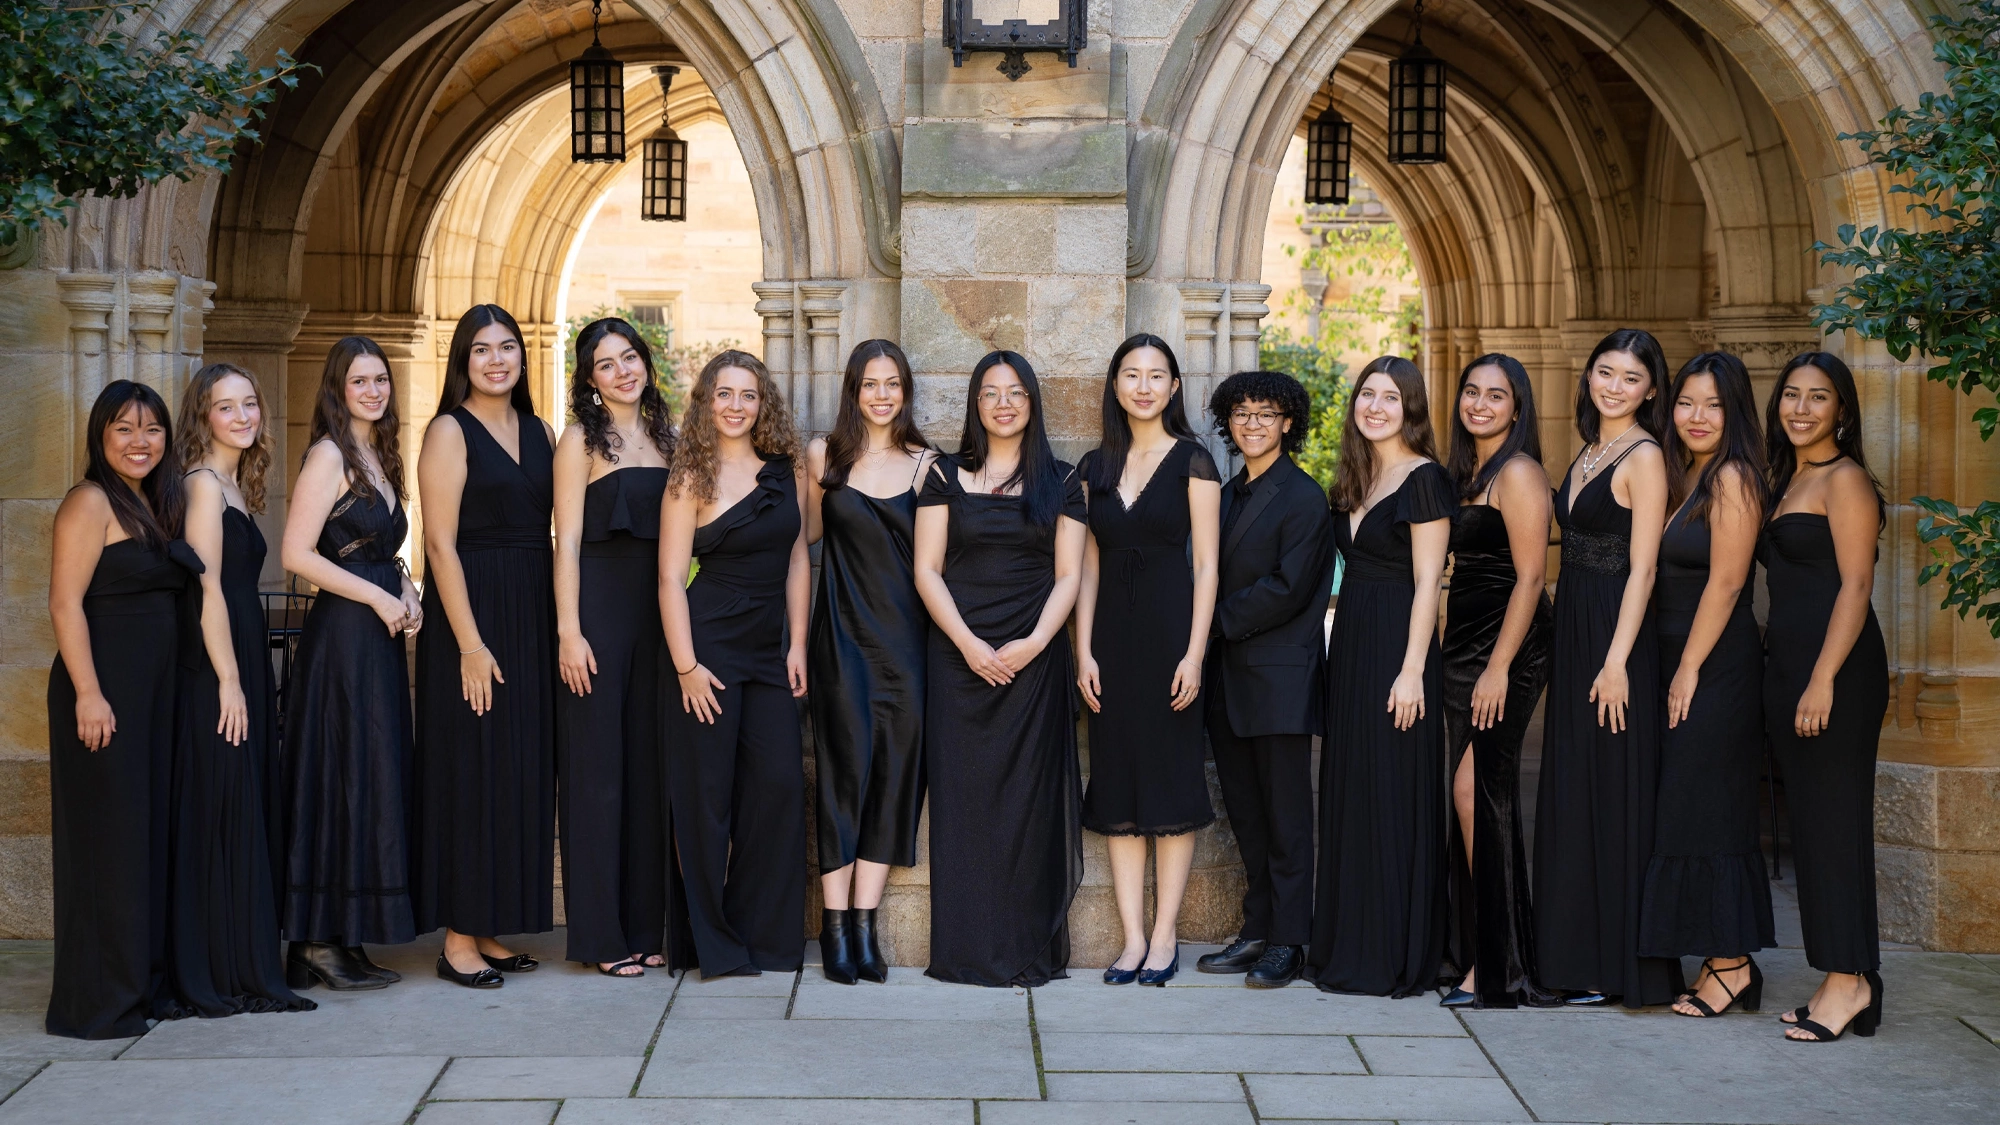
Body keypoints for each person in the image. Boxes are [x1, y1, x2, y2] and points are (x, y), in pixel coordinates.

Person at [916, 350, 1087, 988]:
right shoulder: (943, 476)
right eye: (991, 393)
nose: (1004, 403)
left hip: (1033, 662)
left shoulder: (1063, 481)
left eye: (1015, 392)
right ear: (976, 404)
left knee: (1026, 805)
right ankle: (965, 951)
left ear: (1032, 402)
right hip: (959, 662)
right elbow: (926, 570)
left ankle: (1024, 950)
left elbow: (1069, 574)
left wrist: (1036, 641)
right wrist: (967, 644)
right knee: (965, 806)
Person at [1535, 328, 1684, 1009]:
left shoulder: (1646, 455)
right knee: (1576, 787)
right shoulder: (1593, 448)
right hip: (1578, 630)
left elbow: (1645, 565)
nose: (1614, 385)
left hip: (1615, 640)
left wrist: (1618, 659)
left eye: (1630, 377)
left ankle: (1619, 966)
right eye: (1605, 371)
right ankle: (1574, 957)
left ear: (1652, 388)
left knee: (1614, 790)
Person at [415, 304, 558, 989]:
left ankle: (490, 922)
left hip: (529, 610)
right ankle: (455, 937)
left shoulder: (541, 430)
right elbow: (438, 543)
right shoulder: (448, 430)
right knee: (471, 771)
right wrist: (470, 644)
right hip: (472, 616)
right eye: (481, 350)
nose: (496, 359)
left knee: (517, 770)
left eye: (507, 347)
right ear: (462, 362)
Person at [167, 363, 314, 1017]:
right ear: (201, 417)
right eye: (225, 407)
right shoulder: (201, 485)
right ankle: (225, 970)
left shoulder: (233, 482)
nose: (243, 415)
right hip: (217, 668)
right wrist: (228, 680)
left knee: (243, 803)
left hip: (243, 659)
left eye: (249, 403)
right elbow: (205, 589)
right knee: (225, 806)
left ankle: (242, 961)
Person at [659, 350, 810, 979]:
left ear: (763, 402)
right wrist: (687, 666)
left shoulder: (787, 470)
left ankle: (766, 939)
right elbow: (669, 580)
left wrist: (797, 642)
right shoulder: (689, 476)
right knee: (706, 798)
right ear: (706, 401)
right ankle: (711, 944)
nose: (736, 406)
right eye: (724, 394)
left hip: (769, 650)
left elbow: (798, 553)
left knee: (778, 788)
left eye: (748, 395)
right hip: (710, 649)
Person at [45, 381, 189, 1039]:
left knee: (145, 835)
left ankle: (143, 985)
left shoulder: (149, 502)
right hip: (102, 693)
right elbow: (65, 603)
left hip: (151, 695)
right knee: (108, 841)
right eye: (125, 429)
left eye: (153, 428)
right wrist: (89, 692)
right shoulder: (89, 501)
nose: (141, 441)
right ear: (100, 436)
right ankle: (99, 1000)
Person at [1076, 334, 1220, 987]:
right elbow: (1085, 565)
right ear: (1115, 385)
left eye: (1156, 375)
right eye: (1131, 374)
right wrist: (1081, 649)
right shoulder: (1093, 466)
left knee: (1170, 782)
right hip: (1109, 641)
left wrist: (1195, 652)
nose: (1143, 385)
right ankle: (1131, 937)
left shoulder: (1194, 461)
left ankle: (1165, 937)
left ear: (1173, 387)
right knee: (1117, 783)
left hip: (1170, 639)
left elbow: (1209, 563)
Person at [1308, 356, 1454, 998]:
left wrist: (1413, 671)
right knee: (1352, 792)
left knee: (1395, 794)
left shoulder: (1425, 480)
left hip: (1402, 648)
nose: (1374, 406)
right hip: (1354, 647)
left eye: (1390, 397)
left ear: (1411, 409)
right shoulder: (1356, 476)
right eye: (1366, 394)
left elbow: (1428, 582)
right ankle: (1349, 945)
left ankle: (1396, 952)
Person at [280, 337, 421, 990]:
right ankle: (314, 940)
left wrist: (405, 585)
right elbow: (298, 554)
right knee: (338, 772)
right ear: (336, 388)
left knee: (372, 773)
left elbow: (376, 550)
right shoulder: (329, 454)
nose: (372, 390)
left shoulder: (378, 452)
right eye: (359, 381)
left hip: (378, 641)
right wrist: (374, 594)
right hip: (341, 640)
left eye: (380, 379)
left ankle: (349, 934)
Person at [1640, 351, 1776, 1017]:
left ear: (1735, 412)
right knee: (1683, 803)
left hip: (1713, 664)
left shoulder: (1735, 478)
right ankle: (1723, 958)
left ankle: (1729, 963)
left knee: (1709, 803)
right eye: (1687, 402)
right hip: (1675, 658)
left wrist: (1688, 667)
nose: (1697, 416)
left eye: (1713, 405)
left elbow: (1726, 583)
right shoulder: (1683, 473)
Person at [1763, 352, 1889, 1042]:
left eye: (1819, 397)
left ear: (1842, 409)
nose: (1802, 408)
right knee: (1813, 828)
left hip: (1836, 675)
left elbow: (1857, 585)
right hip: (1789, 670)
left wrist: (1821, 678)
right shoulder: (1789, 478)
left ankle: (1851, 980)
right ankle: (1842, 975)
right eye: (1792, 395)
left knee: (1836, 826)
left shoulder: (1846, 480)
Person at [1194, 371, 1332, 989]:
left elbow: (1288, 589)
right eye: (1242, 413)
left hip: (1279, 682)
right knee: (1246, 815)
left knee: (1286, 818)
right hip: (1228, 681)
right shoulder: (1225, 494)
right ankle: (1257, 929)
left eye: (1266, 413)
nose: (1253, 423)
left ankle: (1290, 940)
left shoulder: (1304, 498)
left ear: (1287, 423)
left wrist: (1206, 624)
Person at [805, 339, 933, 984]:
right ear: (853, 390)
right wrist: (794, 641)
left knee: (894, 784)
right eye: (869, 384)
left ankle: (864, 927)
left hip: (908, 649)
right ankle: (833, 931)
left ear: (905, 391)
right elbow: (798, 550)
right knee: (842, 780)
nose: (881, 395)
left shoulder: (927, 466)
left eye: (893, 384)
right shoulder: (823, 457)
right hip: (840, 644)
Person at [553, 318, 678, 977]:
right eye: (607, 364)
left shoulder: (670, 437)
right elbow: (566, 541)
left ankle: (644, 924)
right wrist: (569, 630)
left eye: (630, 356)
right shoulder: (579, 440)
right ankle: (601, 935)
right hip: (597, 617)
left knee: (645, 774)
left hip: (656, 620)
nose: (624, 370)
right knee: (597, 775)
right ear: (590, 380)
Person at [1438, 354, 1558, 1009]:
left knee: (1476, 791)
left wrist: (1497, 667)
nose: (1481, 404)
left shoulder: (1519, 471)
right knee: (1474, 794)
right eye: (1472, 392)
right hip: (1466, 643)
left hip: (1509, 644)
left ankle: (1498, 963)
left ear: (1518, 407)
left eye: (1497, 395)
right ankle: (1486, 952)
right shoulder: (1470, 471)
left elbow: (1532, 578)